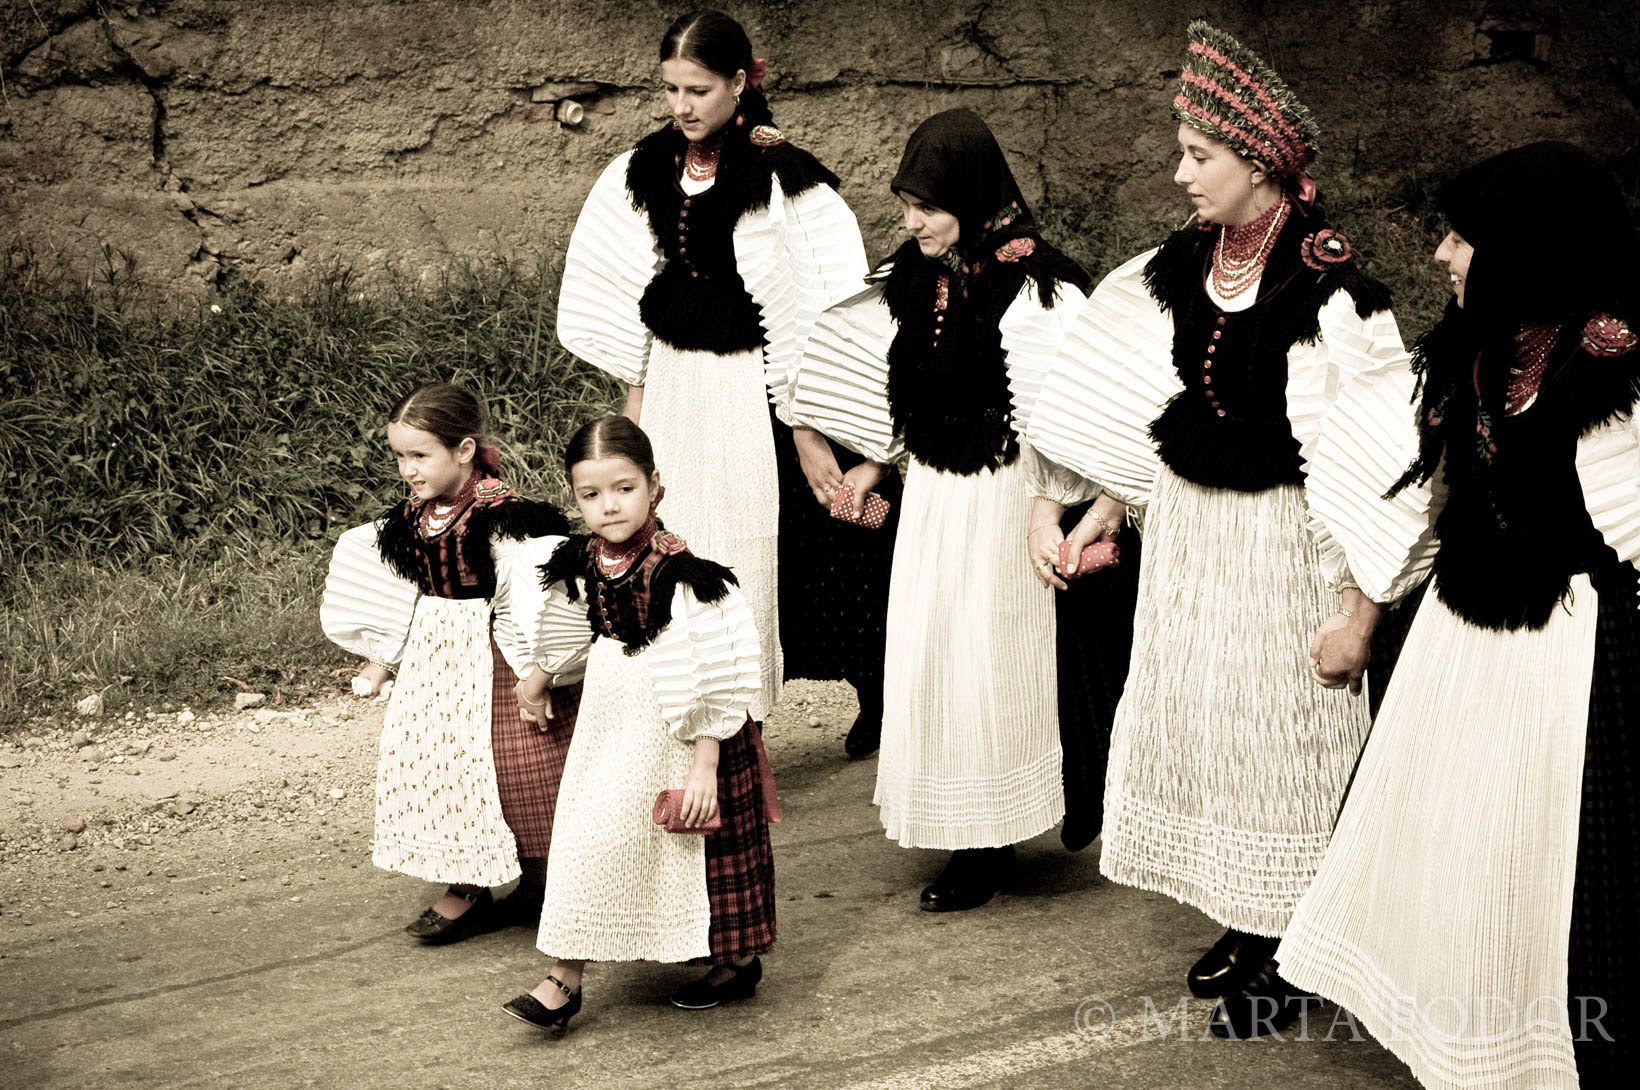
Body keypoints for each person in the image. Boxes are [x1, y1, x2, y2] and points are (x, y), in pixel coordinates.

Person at [1025, 20, 1434, 1036]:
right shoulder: (1185, 266)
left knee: (1288, 733)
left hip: (1284, 545)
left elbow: (1365, 453)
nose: (1179, 175)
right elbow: (1149, 397)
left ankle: (1304, 934)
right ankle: (1252, 917)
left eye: (1198, 156)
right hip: (1196, 539)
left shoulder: (1326, 289)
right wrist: (1106, 502)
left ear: (1258, 166)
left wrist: (1357, 604)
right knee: (1213, 725)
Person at [1277, 142, 1640, 1089]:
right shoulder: (1473, 350)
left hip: (1577, 654)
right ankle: (1457, 1027)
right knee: (1454, 841)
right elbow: (1422, 500)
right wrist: (1361, 610)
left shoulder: (1617, 370)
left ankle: (1545, 1044)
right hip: (1464, 633)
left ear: (1528, 247)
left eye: (1461, 237)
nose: (1440, 254)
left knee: (1555, 864)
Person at [556, 8, 890, 755]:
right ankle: (699, 708)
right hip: (678, 382)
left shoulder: (777, 174)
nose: (683, 105)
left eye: (699, 89)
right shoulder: (646, 167)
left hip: (757, 386)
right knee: (683, 535)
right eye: (671, 88)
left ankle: (845, 695)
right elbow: (635, 288)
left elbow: (805, 298)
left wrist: (803, 425)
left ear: (741, 83)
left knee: (789, 546)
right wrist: (634, 405)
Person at [788, 108, 1093, 910]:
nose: (911, 221)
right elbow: (894, 389)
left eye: (927, 205)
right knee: (936, 651)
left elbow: (1058, 410)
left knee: (991, 657)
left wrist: (1052, 507)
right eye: (906, 204)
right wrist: (869, 465)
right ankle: (962, 821)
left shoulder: (1035, 286)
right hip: (933, 496)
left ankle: (991, 836)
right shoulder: (915, 278)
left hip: (1002, 497)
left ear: (971, 197)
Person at [501, 416, 779, 1030]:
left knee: (690, 840)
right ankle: (563, 976)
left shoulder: (685, 576)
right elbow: (574, 625)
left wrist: (706, 760)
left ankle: (735, 959)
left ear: (656, 486)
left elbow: (718, 667)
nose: (608, 506)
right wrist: (544, 673)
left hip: (678, 715)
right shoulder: (583, 560)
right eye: (590, 494)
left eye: (623, 489)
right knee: (589, 830)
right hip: (611, 711)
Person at [320, 382, 587, 944]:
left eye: (421, 455)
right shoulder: (413, 517)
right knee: (443, 760)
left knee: (516, 763)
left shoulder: (506, 517)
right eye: (400, 456)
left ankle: (543, 879)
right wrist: (383, 657)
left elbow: (538, 592)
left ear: (464, 450)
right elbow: (403, 592)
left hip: (493, 649)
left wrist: (539, 669)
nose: (408, 469)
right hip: (435, 654)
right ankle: (465, 881)